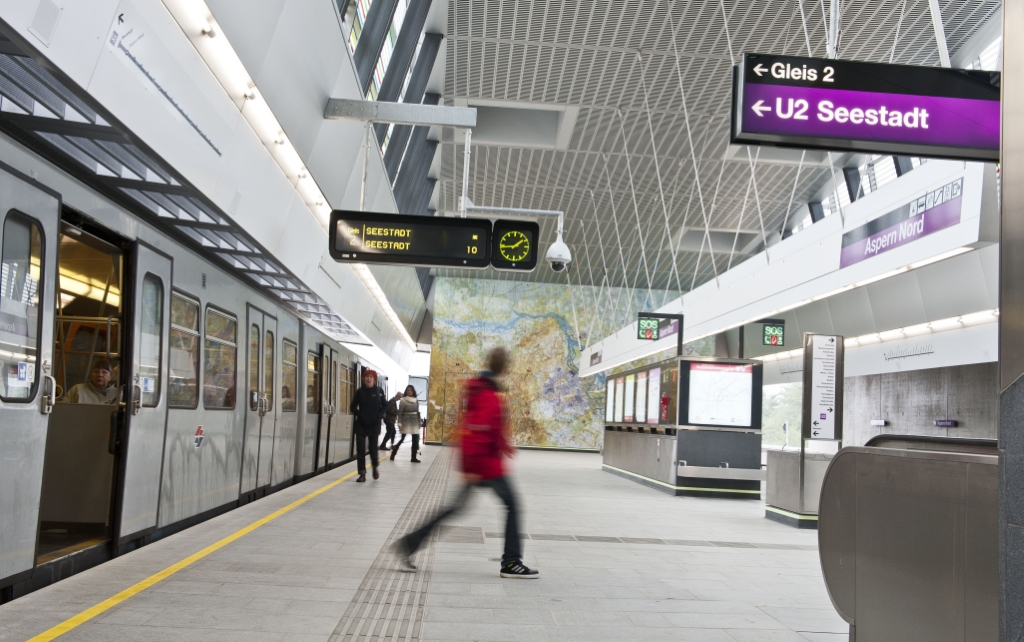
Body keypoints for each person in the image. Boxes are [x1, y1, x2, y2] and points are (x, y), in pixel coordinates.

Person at [395, 347, 538, 579]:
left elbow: (485, 428)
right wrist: (472, 467)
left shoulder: (484, 389)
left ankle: (410, 544)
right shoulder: (488, 394)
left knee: (455, 509)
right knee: (513, 505)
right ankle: (511, 562)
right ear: (504, 367)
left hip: (482, 464)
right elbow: (477, 430)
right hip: (485, 467)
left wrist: (504, 445)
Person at [350, 369, 386, 482]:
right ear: (363, 379)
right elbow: (352, 407)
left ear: (374, 379)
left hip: (374, 424)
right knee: (360, 450)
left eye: (371, 377)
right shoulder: (359, 392)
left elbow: (385, 405)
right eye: (367, 377)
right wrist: (359, 414)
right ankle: (362, 474)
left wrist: (380, 415)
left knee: (373, 449)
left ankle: (375, 467)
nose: (369, 378)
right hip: (361, 424)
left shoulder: (379, 391)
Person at [390, 385, 421, 463]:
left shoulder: (416, 400)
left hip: (414, 422)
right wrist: (399, 423)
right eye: (408, 390)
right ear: (406, 391)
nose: (409, 392)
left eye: (411, 390)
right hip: (405, 421)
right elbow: (400, 413)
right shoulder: (403, 400)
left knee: (415, 439)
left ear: (413, 391)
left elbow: (417, 412)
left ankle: (413, 457)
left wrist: (419, 422)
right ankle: (393, 453)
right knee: (402, 438)